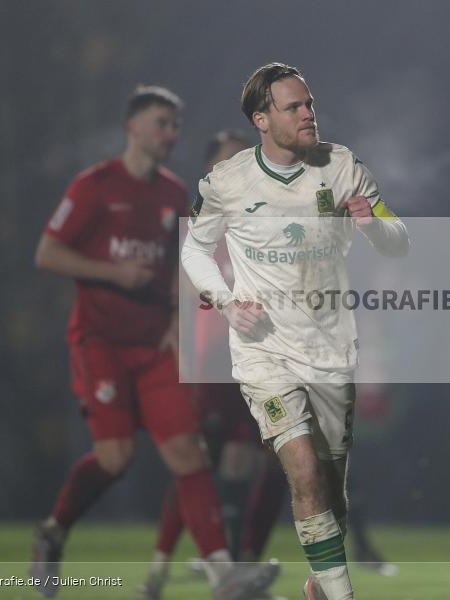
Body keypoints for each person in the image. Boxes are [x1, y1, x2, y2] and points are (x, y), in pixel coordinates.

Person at [30, 86, 278, 600]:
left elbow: (183, 269)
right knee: (115, 457)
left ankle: (223, 576)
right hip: (100, 343)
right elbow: (48, 254)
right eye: (162, 123)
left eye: (175, 125)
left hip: (154, 346)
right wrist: (112, 272)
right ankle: (54, 529)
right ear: (134, 127)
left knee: (189, 453)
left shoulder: (171, 195)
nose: (171, 134)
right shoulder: (94, 186)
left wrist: (177, 320)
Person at [181, 63, 409, 600]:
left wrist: (376, 226)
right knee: (302, 469)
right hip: (264, 354)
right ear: (262, 118)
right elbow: (194, 248)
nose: (308, 114)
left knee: (329, 489)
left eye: (309, 104)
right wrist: (227, 300)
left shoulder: (343, 166)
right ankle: (340, 595)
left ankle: (318, 582)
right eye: (293, 107)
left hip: (330, 348)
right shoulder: (227, 181)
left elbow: (400, 239)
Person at [139, 129, 289, 600]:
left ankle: (237, 568)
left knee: (271, 461)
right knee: (201, 465)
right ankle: (165, 570)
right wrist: (184, 365)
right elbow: (185, 302)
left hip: (260, 362)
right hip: (212, 366)